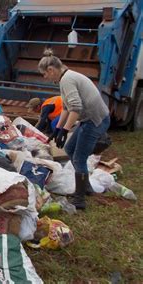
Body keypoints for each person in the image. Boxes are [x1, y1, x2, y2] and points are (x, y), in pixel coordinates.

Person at [39, 49, 110, 210]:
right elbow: (66, 106)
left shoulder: (67, 79)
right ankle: (86, 188)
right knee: (70, 149)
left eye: (45, 74)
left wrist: (65, 130)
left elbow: (76, 108)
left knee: (79, 157)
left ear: (51, 70)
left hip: (95, 120)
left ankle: (80, 199)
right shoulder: (65, 78)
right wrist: (57, 129)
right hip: (88, 119)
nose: (45, 78)